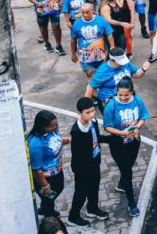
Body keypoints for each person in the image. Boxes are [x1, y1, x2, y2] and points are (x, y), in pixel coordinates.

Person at [103, 77, 149, 217]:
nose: (123, 97)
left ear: (131, 92)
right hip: (118, 144)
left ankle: (122, 185)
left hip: (134, 141)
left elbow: (143, 117)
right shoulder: (111, 106)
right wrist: (121, 133)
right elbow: (107, 127)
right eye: (120, 94)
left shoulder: (137, 100)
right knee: (128, 172)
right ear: (116, 92)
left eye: (126, 95)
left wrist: (137, 127)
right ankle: (131, 203)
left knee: (129, 166)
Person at [68, 97, 110, 227]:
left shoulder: (94, 122)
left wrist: (112, 139)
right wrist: (89, 170)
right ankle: (73, 216)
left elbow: (96, 138)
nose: (92, 114)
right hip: (82, 167)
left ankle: (92, 208)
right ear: (79, 113)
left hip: (94, 161)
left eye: (93, 111)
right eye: (88, 112)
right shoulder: (76, 132)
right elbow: (78, 156)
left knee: (94, 187)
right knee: (81, 192)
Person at [27, 110, 69, 217]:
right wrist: (45, 186)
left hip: (56, 172)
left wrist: (70, 140)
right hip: (46, 178)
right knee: (49, 198)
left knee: (53, 194)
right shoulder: (36, 144)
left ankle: (45, 208)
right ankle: (49, 216)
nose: (54, 128)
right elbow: (37, 170)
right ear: (42, 126)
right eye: (51, 126)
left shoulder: (51, 132)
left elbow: (57, 140)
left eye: (56, 125)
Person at [70, 3, 115, 78]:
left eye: (87, 12)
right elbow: (73, 40)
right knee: (89, 73)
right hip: (84, 56)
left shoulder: (101, 20)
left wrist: (112, 46)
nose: (85, 15)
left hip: (99, 54)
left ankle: (97, 88)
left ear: (93, 10)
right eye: (83, 12)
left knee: (100, 74)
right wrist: (73, 54)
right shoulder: (77, 24)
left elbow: (109, 34)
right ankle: (90, 88)